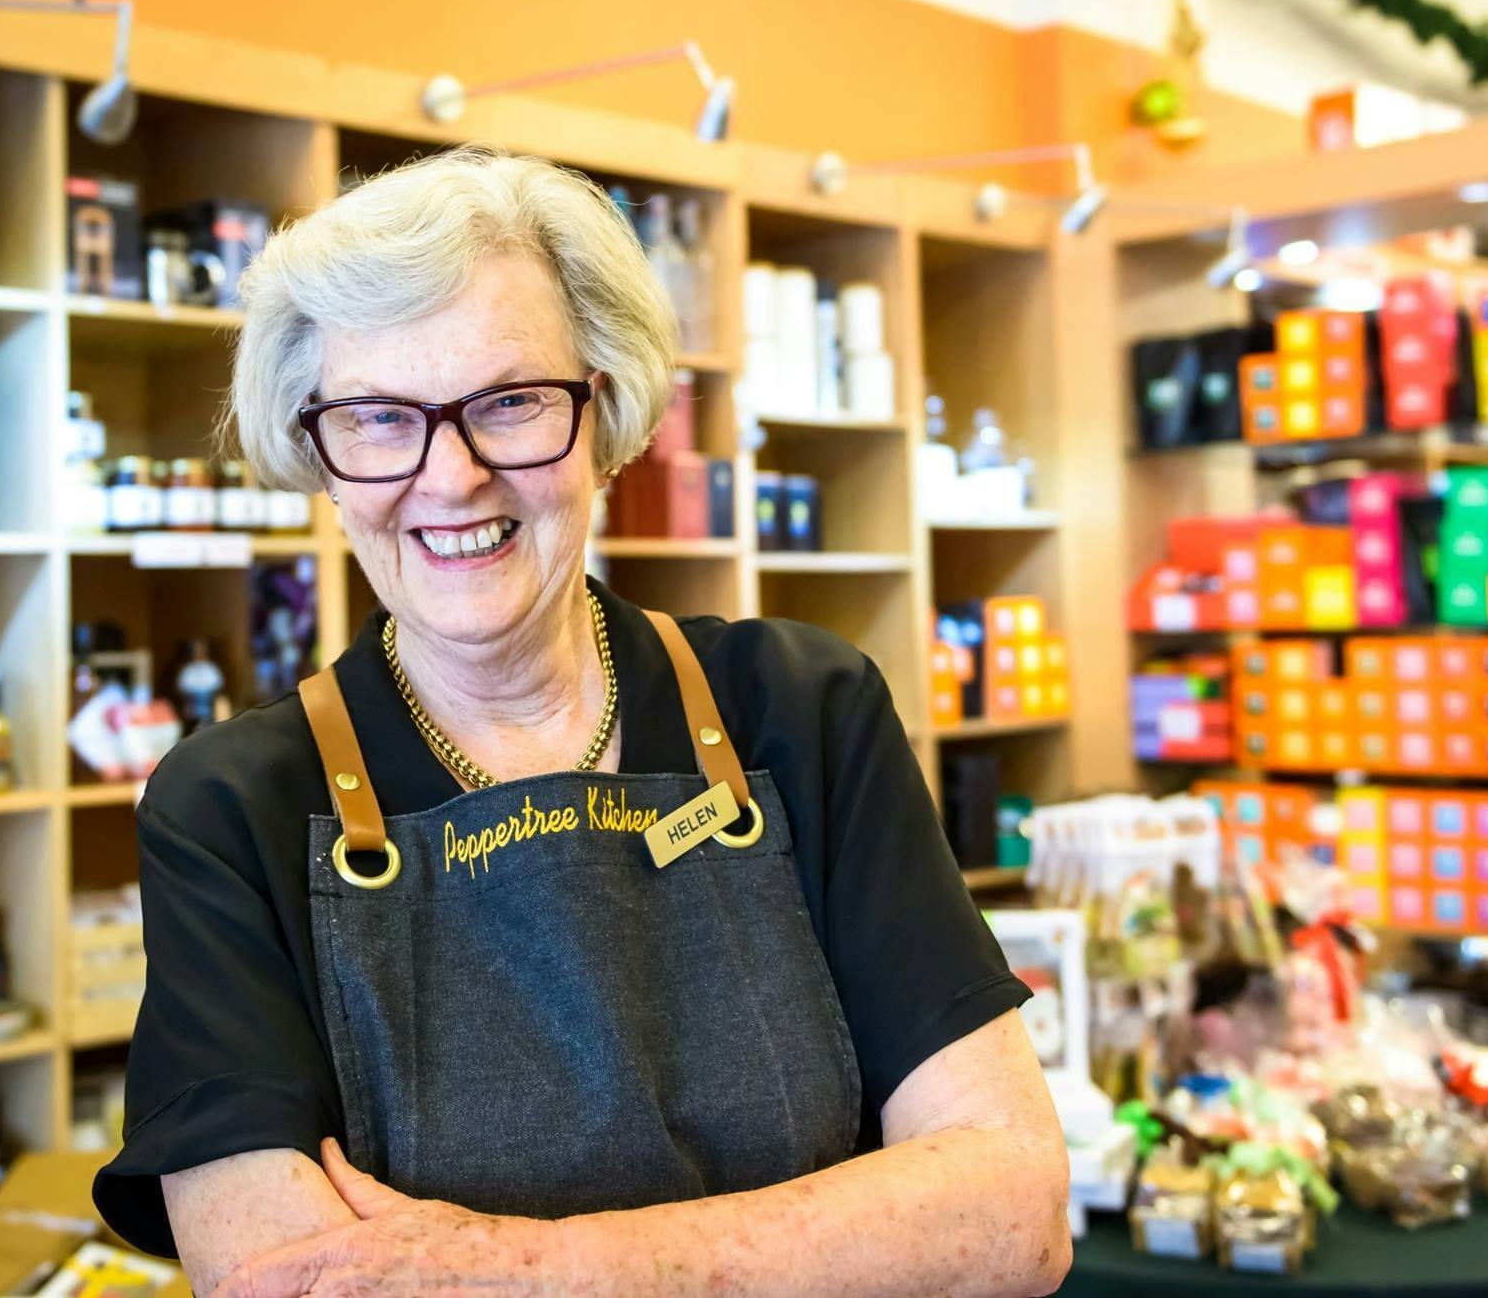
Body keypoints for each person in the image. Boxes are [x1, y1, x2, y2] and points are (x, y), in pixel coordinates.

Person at [91, 147, 1071, 1296]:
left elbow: (1009, 1212)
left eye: (508, 402)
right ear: (319, 451)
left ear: (602, 409)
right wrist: (829, 1236)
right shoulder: (230, 805)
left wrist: (516, 1267)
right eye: (375, 418)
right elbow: (282, 1278)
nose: (449, 477)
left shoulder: (800, 711)